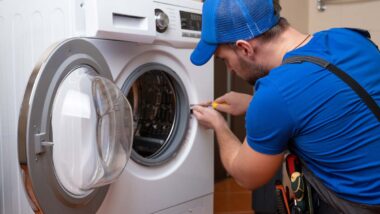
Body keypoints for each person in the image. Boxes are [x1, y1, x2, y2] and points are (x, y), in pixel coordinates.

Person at [190, 0, 380, 213]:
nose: (230, 69)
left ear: (244, 48)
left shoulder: (275, 92)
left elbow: (246, 176)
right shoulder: (350, 38)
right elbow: (335, 103)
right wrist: (253, 104)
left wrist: (219, 125)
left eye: (224, 59)